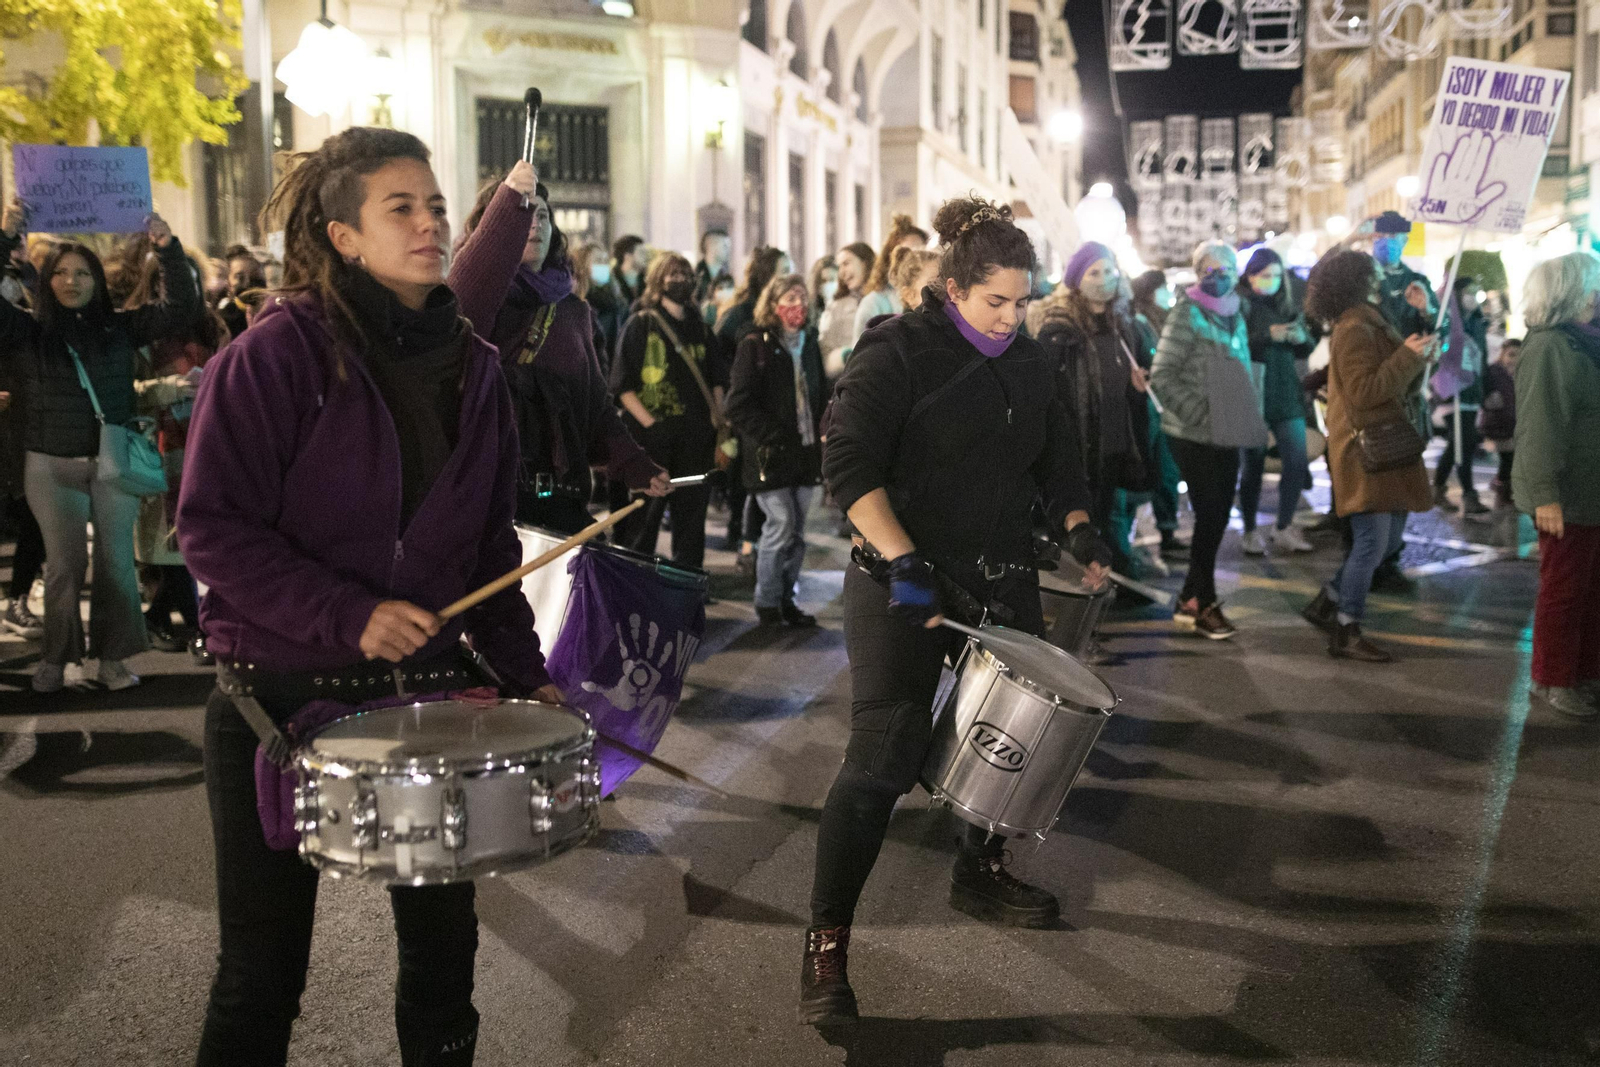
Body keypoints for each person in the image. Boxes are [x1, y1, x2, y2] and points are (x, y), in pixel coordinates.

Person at [177, 126, 562, 1066]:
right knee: (261, 975)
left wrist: (529, 678)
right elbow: (212, 528)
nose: (432, 223)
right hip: (275, 697)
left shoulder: (475, 369)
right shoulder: (271, 357)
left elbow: (485, 555)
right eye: (403, 208)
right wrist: (348, 613)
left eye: (436, 205)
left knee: (443, 965)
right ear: (344, 236)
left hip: (420, 702)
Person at [802, 195, 1110, 1027]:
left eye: (1022, 300)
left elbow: (1059, 461)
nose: (1011, 319)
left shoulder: (1035, 360)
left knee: (1009, 743)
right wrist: (902, 561)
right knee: (883, 754)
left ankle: (981, 865)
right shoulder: (898, 350)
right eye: (994, 302)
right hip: (900, 576)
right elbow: (847, 464)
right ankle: (828, 935)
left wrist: (1080, 529)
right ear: (953, 286)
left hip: (1000, 572)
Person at [0, 202, 198, 692]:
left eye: (82, 273)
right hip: (49, 463)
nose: (72, 282)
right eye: (61, 273)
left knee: (115, 565)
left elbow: (183, 310)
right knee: (65, 566)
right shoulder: (28, 331)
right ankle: (56, 660)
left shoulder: (121, 326)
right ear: (46, 281)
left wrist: (168, 249)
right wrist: (5, 237)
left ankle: (113, 660)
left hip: (113, 465)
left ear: (97, 280)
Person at [449, 163, 669, 535]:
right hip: (488, 497)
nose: (534, 224)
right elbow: (464, 303)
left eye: (543, 215)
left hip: (561, 493)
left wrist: (635, 465)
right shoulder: (477, 300)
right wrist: (507, 203)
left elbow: (595, 403)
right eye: (522, 214)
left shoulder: (574, 311)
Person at [1299, 249, 1433, 663]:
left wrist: (1419, 344)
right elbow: (1364, 392)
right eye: (1371, 274)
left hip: (1386, 446)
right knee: (1373, 544)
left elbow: (1397, 376)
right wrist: (1407, 358)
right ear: (1356, 282)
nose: (1379, 278)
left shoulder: (1369, 319)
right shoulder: (1355, 327)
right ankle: (1346, 627)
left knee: (1387, 540)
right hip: (1365, 450)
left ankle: (1330, 599)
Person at [1151, 241, 1264, 639]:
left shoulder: (1237, 312)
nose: (1219, 276)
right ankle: (1205, 603)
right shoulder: (1186, 312)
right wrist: (1200, 412)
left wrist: (1246, 411)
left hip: (1229, 430)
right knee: (1212, 513)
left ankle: (1189, 599)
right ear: (1197, 272)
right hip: (1192, 433)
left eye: (1227, 268)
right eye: (1209, 269)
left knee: (1215, 516)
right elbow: (1161, 374)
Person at [122, 254, 227, 651]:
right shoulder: (137, 331)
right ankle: (196, 626)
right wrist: (165, 388)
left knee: (196, 533)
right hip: (158, 444)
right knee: (171, 538)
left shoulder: (210, 325)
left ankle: (161, 617)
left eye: (194, 280)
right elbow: (119, 392)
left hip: (206, 439)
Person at [1030, 241, 1152, 581]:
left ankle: (1103, 589)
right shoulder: (1058, 330)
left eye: (1110, 271)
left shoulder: (1124, 325)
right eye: (1094, 272)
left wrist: (1138, 387)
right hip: (1077, 448)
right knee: (1076, 528)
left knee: (1106, 519)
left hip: (1113, 444)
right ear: (1075, 279)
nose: (1104, 279)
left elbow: (1129, 390)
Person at [1512, 251, 1600, 720]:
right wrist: (1544, 493)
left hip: (1590, 489)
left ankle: (1583, 673)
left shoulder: (1583, 342)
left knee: (1589, 591)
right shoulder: (1553, 347)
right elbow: (1542, 426)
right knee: (1564, 591)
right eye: (1592, 285)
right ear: (1574, 292)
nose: (1597, 294)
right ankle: (1552, 678)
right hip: (1566, 494)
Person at [724, 272, 826, 626]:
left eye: (802, 297)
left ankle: (787, 598)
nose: (797, 304)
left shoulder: (809, 341)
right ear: (773, 303)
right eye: (789, 297)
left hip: (805, 450)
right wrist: (771, 435)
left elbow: (820, 391)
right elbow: (737, 404)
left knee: (797, 531)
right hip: (769, 453)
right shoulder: (756, 344)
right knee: (780, 524)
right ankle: (767, 600)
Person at [610, 251, 723, 568]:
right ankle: (636, 576)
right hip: (652, 439)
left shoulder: (700, 327)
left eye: (685, 274)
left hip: (695, 436)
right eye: (672, 274)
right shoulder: (641, 324)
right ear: (658, 281)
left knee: (692, 517)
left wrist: (718, 419)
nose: (680, 280)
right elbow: (622, 386)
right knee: (644, 515)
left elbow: (716, 379)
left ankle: (687, 579)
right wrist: (651, 425)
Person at [1236, 248, 1317, 555]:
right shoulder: (1241, 306)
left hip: (1286, 394)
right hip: (1253, 394)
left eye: (1274, 275)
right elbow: (1236, 344)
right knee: (1252, 466)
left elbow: (1305, 347)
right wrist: (1268, 335)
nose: (1269, 281)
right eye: (1263, 274)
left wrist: (1300, 338)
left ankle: (1283, 526)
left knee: (1296, 461)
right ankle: (1249, 530)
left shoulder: (1287, 305)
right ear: (1251, 276)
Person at [716, 246, 792, 554]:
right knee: (746, 482)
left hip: (771, 407)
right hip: (747, 409)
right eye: (783, 269)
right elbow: (719, 355)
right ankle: (744, 539)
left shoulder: (781, 311)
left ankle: (755, 541)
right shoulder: (742, 313)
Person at [1129, 268, 1186, 559]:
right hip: (1152, 409)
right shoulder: (1140, 324)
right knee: (1161, 470)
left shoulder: (1163, 320)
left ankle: (1168, 530)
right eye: (1165, 289)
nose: (1169, 294)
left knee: (1167, 470)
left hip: (1164, 407)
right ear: (1152, 292)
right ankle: (1164, 530)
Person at [1432, 275, 1489, 515]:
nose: (1472, 297)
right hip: (1451, 391)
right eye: (1468, 292)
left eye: (1476, 292)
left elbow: (1482, 358)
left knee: (1460, 443)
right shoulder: (1446, 320)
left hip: (1472, 390)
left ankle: (1438, 488)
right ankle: (1469, 494)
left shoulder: (1477, 323)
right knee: (1463, 442)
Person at [851, 214, 929, 338]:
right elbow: (859, 352)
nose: (915, 260)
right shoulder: (873, 303)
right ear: (890, 258)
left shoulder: (932, 295)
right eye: (906, 253)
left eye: (921, 252)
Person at [818, 242, 874, 376]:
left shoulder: (885, 298)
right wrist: (845, 356)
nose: (842, 272)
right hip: (850, 379)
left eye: (846, 263)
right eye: (839, 267)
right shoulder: (836, 307)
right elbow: (823, 351)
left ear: (864, 263)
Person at [588, 233, 648, 360]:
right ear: (628, 255)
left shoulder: (648, 283)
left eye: (604, 260)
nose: (646, 257)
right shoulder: (611, 285)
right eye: (641, 252)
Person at [1479, 336, 1519, 512]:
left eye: (1518, 356)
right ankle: (1502, 491)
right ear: (1502, 354)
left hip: (1510, 423)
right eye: (1511, 354)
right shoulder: (1495, 371)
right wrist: (1491, 401)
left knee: (1509, 460)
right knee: (1509, 460)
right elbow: (1483, 392)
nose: (1514, 359)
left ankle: (1503, 491)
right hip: (1499, 423)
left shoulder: (1514, 374)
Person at [217, 245, 265, 339]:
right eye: (239, 277)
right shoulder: (223, 321)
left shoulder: (274, 313)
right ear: (228, 282)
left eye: (255, 275)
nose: (248, 282)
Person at [694, 227, 733, 306]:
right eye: (724, 246)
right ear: (712, 246)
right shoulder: (695, 277)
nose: (729, 250)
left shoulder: (728, 279)